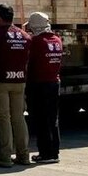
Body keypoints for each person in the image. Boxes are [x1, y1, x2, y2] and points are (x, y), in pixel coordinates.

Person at [0, 3, 31, 168]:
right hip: (19, 82)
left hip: (0, 82)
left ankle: (5, 157)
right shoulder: (25, 36)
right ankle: (23, 155)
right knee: (19, 119)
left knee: (3, 119)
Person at [25, 12, 64, 165]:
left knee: (41, 119)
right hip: (54, 82)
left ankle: (45, 153)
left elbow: (30, 61)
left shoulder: (36, 42)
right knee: (53, 119)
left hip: (39, 84)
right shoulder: (57, 40)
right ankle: (54, 151)